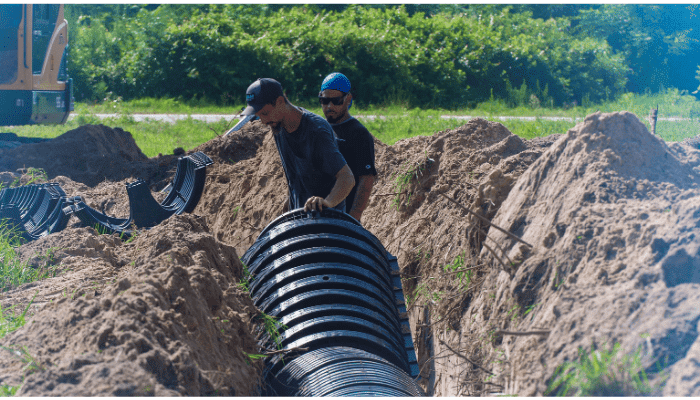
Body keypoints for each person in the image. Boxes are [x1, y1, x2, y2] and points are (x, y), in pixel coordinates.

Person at [242, 78, 355, 214]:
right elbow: (298, 175)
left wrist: (327, 202)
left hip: (327, 221)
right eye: (259, 116)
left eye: (265, 113)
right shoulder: (278, 126)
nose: (264, 121)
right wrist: (290, 201)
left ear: (280, 102)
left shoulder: (316, 132)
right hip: (300, 219)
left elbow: (347, 178)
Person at [319, 72, 377, 223]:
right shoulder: (320, 129)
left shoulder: (358, 134)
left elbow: (366, 179)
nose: (330, 106)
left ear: (348, 99)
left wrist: (353, 217)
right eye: (325, 101)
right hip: (318, 214)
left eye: (336, 101)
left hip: (342, 217)